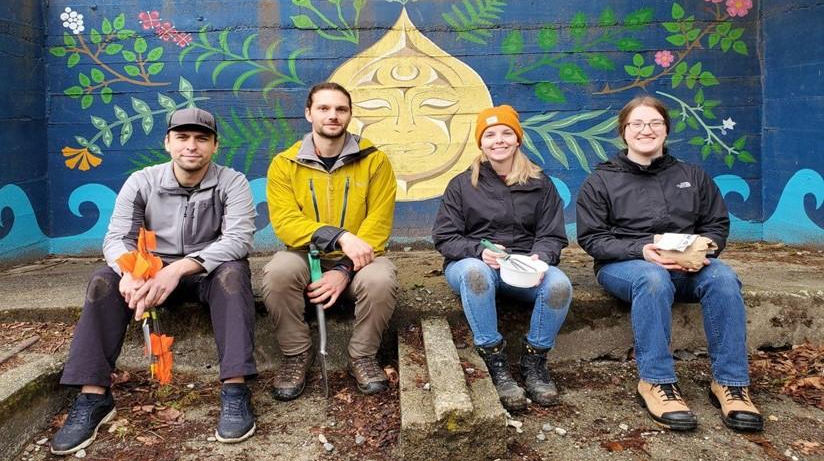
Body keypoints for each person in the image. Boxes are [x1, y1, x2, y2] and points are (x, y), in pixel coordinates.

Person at [51, 107, 258, 455]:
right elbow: (116, 238)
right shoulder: (142, 181)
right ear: (167, 142)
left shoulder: (231, 182)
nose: (191, 146)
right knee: (103, 280)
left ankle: (235, 391)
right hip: (149, 274)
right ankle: (93, 396)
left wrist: (178, 269)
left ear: (215, 145)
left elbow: (239, 239)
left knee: (235, 273)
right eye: (182, 137)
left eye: (201, 138)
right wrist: (129, 272)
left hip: (205, 272)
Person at [576, 95, 763, 432]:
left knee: (723, 278)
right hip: (626, 267)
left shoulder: (693, 175)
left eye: (655, 123)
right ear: (624, 131)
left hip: (688, 270)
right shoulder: (601, 181)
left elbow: (716, 225)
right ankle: (656, 381)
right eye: (637, 123)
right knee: (652, 278)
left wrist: (703, 252)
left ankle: (731, 383)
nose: (646, 130)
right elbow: (592, 238)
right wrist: (641, 249)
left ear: (666, 130)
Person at [261, 82, 398, 400]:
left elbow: (377, 225)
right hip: (305, 256)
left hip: (360, 261)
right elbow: (285, 224)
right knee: (277, 273)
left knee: (382, 278)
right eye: (324, 108)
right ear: (309, 113)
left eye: (341, 109)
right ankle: (296, 353)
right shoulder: (285, 164)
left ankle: (362, 356)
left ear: (349, 115)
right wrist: (338, 236)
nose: (332, 115)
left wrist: (344, 270)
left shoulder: (374, 161)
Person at [432, 104, 572, 411]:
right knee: (474, 273)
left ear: (518, 139)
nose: (499, 140)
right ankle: (495, 361)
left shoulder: (540, 183)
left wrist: (541, 257)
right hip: (472, 264)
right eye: (490, 134)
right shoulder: (462, 184)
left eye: (506, 133)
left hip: (523, 269)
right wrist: (479, 252)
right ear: (480, 143)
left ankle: (534, 363)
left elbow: (553, 235)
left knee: (559, 285)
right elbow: (444, 237)